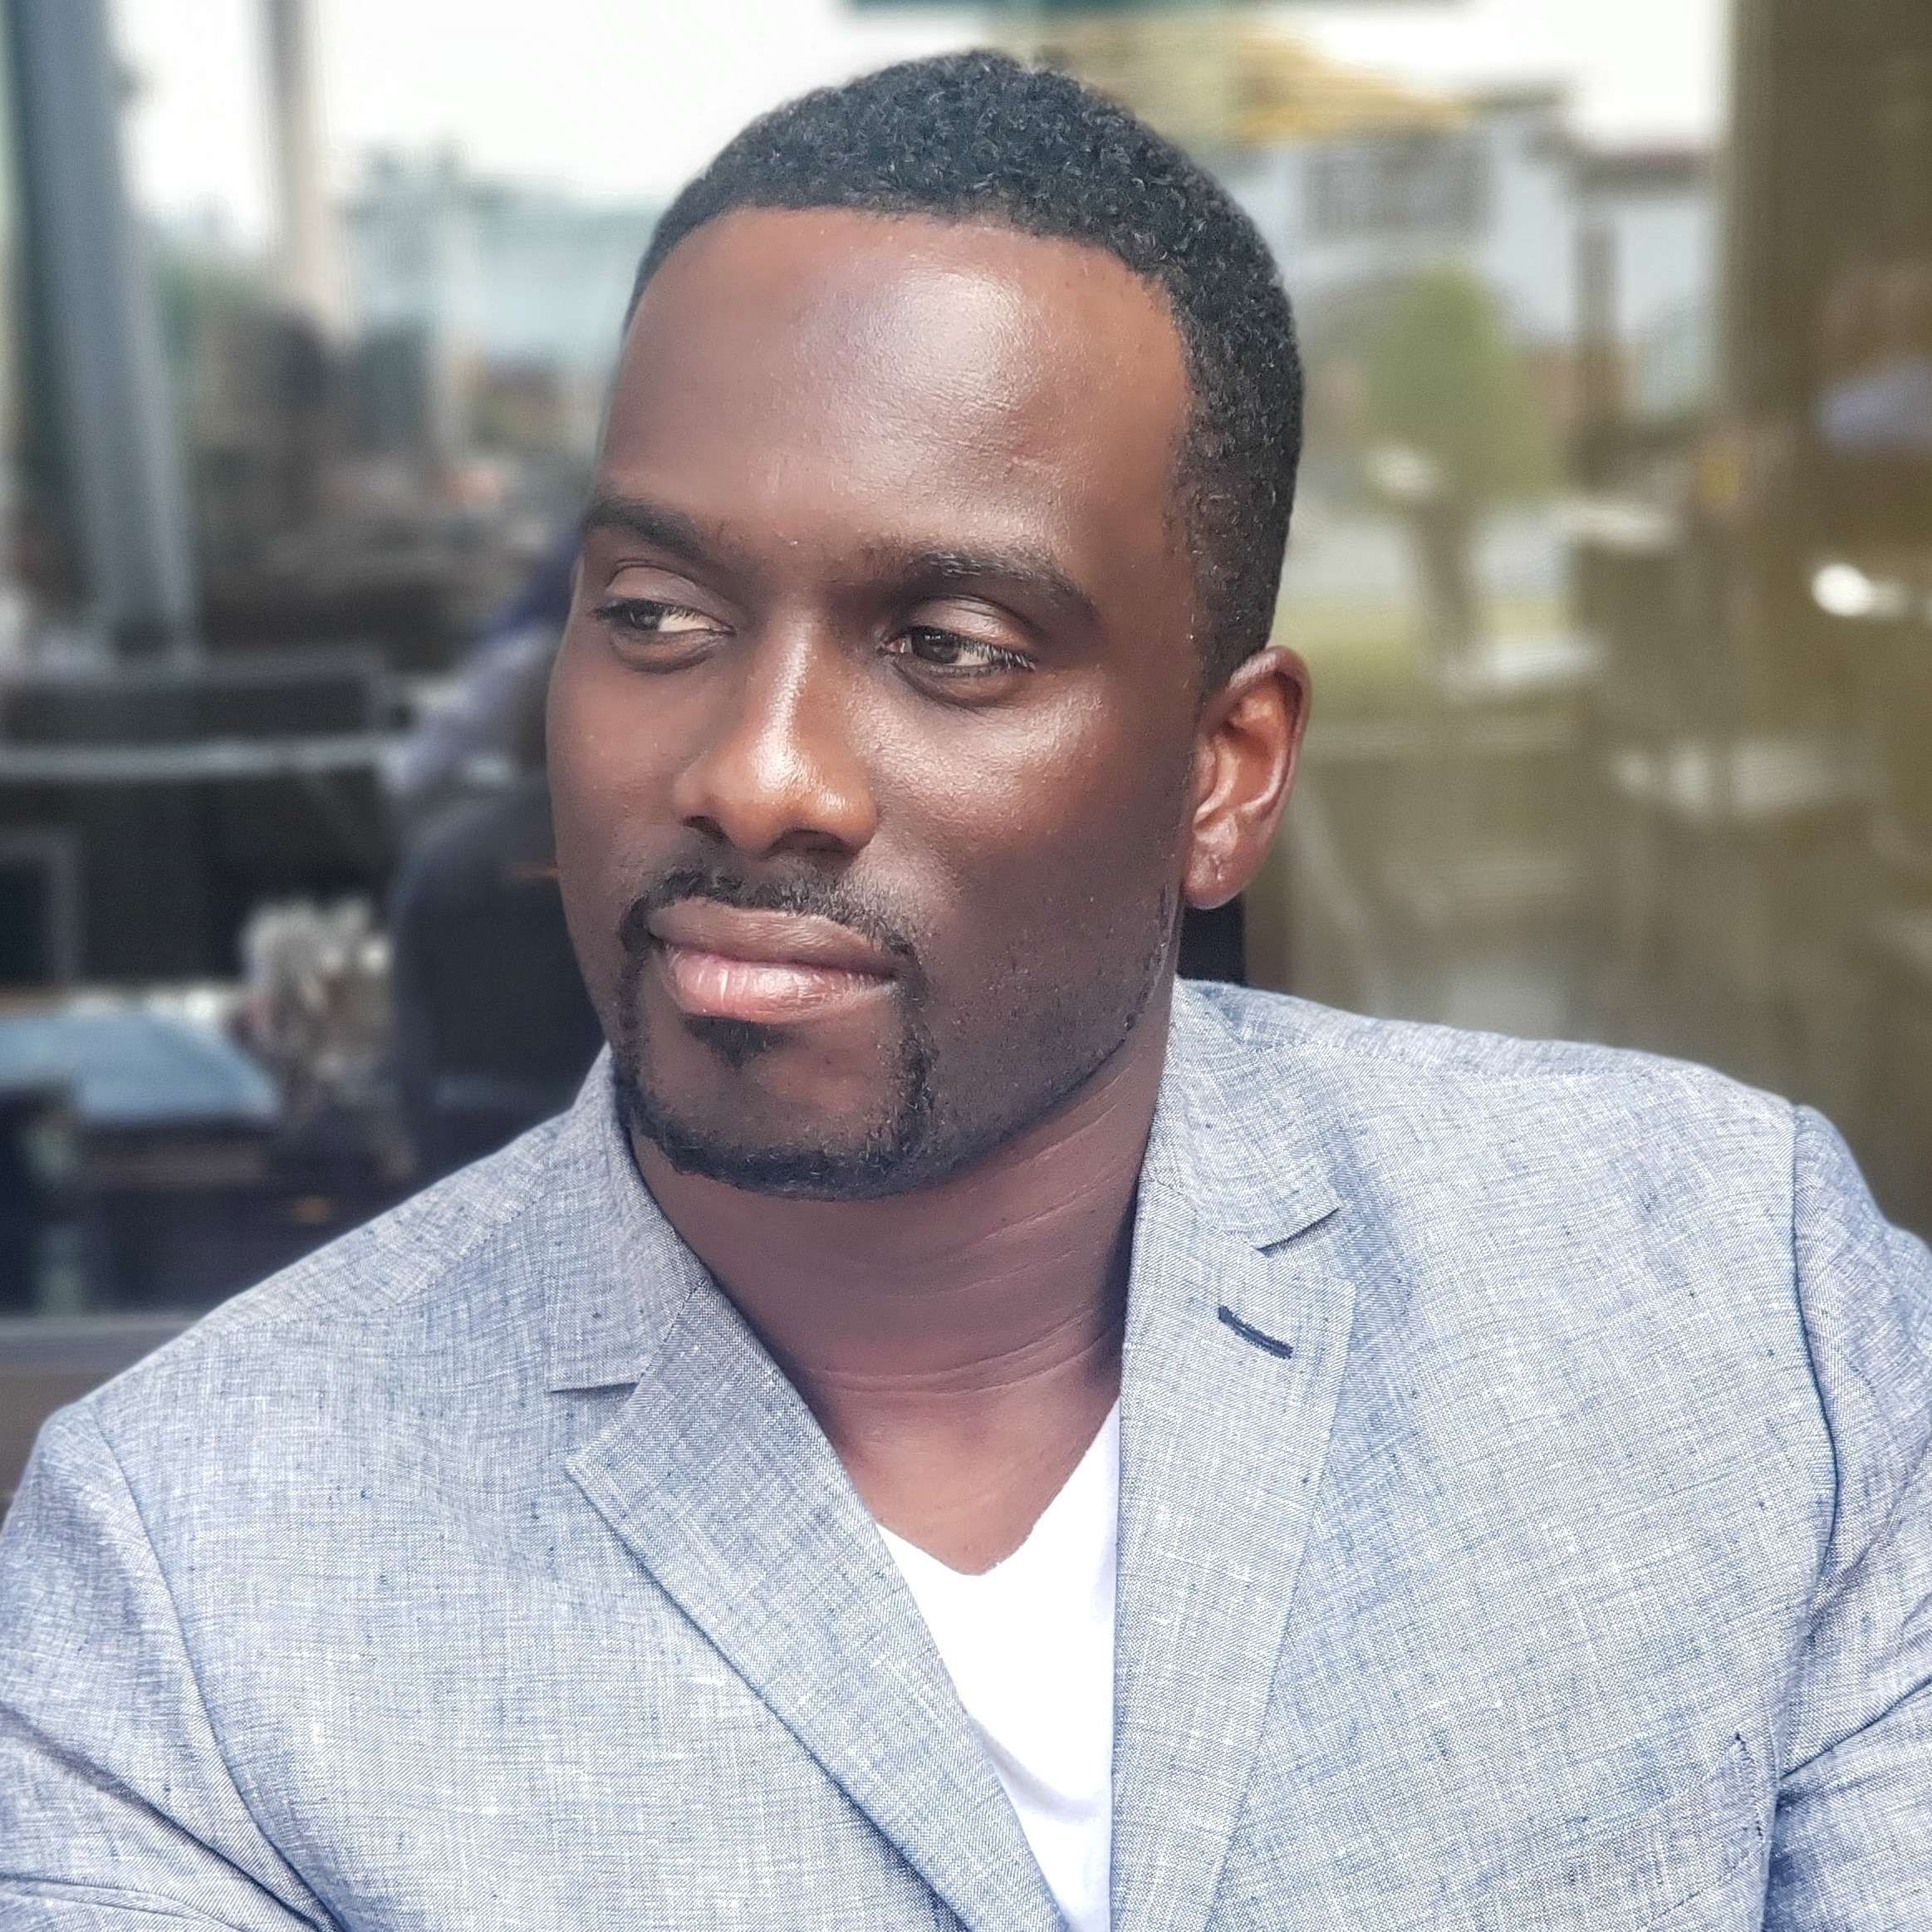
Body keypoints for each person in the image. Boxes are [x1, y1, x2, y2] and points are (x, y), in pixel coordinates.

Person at [2, 51, 1928, 1932]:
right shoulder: (194, 1571)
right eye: (655, 616)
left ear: (1223, 773)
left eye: (950, 644)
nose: (756, 770)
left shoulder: (1727, 1306)